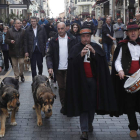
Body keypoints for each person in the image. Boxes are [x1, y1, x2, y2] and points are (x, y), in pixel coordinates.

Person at [63, 26, 117, 140]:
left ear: (91, 37)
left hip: (93, 81)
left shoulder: (96, 47)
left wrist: (94, 54)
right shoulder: (75, 48)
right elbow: (71, 65)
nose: (86, 39)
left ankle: (89, 123)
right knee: (83, 106)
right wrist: (80, 56)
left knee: (92, 105)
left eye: (88, 36)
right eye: (83, 36)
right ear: (80, 37)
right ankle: (84, 130)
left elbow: (102, 65)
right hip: (80, 82)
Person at [112, 21, 140, 138]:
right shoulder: (122, 45)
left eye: (135, 31)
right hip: (128, 80)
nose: (133, 33)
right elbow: (117, 60)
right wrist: (120, 70)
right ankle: (133, 127)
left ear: (138, 32)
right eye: (130, 31)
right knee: (130, 105)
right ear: (127, 33)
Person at [46, 22, 77, 113]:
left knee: (69, 87)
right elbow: (49, 55)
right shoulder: (53, 40)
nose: (60, 30)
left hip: (69, 67)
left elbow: (76, 53)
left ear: (66, 28)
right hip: (58, 68)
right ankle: (64, 105)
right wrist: (50, 67)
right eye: (58, 29)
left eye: (62, 28)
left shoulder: (72, 39)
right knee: (62, 87)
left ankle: (69, 105)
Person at [24, 16, 47, 81]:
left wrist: (44, 47)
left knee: (40, 64)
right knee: (33, 66)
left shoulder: (41, 28)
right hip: (32, 50)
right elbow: (25, 41)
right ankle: (34, 80)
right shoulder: (28, 30)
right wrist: (26, 51)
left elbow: (45, 38)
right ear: (30, 22)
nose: (33, 23)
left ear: (37, 21)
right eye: (32, 21)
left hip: (40, 50)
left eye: (34, 21)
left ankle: (40, 76)